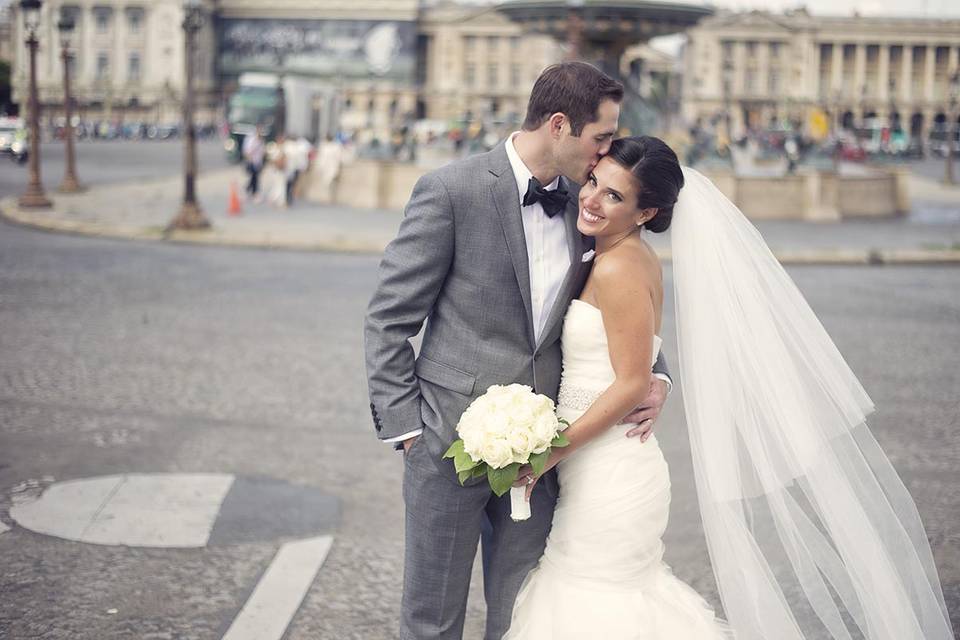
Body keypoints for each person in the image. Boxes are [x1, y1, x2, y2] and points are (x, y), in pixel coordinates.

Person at [504, 137, 954, 640]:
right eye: (593, 182)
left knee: (593, 607)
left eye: (613, 196)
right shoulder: (612, 254)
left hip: (612, 476)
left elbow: (631, 383)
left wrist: (549, 453)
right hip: (597, 468)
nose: (589, 198)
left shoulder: (619, 266)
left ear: (644, 211)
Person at [364, 62, 672, 640]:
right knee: (432, 620)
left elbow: (623, 301)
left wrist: (656, 374)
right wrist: (407, 430)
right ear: (560, 125)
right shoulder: (451, 190)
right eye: (601, 136)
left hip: (546, 453)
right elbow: (388, 318)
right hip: (444, 443)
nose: (609, 151)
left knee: (524, 618)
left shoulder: (590, 208)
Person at [242, 126, 266, 201]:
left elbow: (262, 152)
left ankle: (249, 190)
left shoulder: (261, 141)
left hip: (258, 162)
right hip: (252, 162)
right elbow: (247, 151)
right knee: (254, 178)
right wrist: (250, 161)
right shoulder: (252, 140)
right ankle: (254, 192)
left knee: (255, 178)